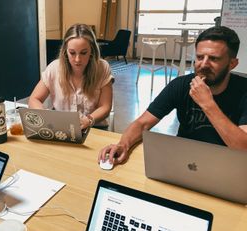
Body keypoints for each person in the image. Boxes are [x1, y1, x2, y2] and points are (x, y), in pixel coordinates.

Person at [99, 26, 247, 165]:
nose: (204, 64)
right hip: (185, 162)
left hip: (226, 164)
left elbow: (243, 147)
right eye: (200, 57)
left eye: (214, 59)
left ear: (232, 63)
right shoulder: (181, 85)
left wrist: (208, 104)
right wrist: (123, 145)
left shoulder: (243, 91)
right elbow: (143, 123)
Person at [28, 23, 113, 129]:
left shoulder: (102, 68)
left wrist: (89, 120)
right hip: (62, 127)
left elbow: (105, 106)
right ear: (65, 51)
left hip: (94, 127)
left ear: (92, 50)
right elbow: (34, 99)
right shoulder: (54, 68)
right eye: (72, 53)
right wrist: (46, 117)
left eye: (83, 53)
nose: (77, 59)